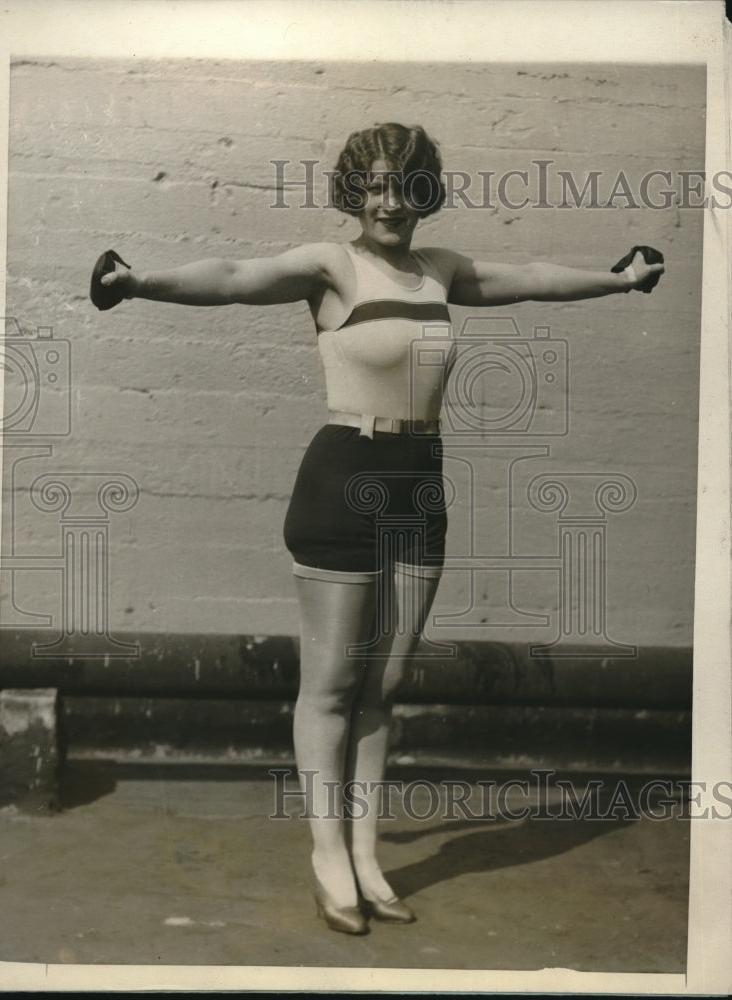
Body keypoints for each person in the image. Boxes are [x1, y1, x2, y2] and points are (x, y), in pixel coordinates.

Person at [92, 122, 664, 935]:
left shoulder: (441, 272)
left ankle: (365, 855)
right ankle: (327, 855)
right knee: (330, 686)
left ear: (422, 191)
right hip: (342, 479)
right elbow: (229, 276)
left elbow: (531, 275)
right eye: (375, 186)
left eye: (404, 185)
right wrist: (138, 281)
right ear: (354, 193)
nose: (389, 201)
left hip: (419, 484)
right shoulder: (331, 266)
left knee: (384, 685)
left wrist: (619, 282)